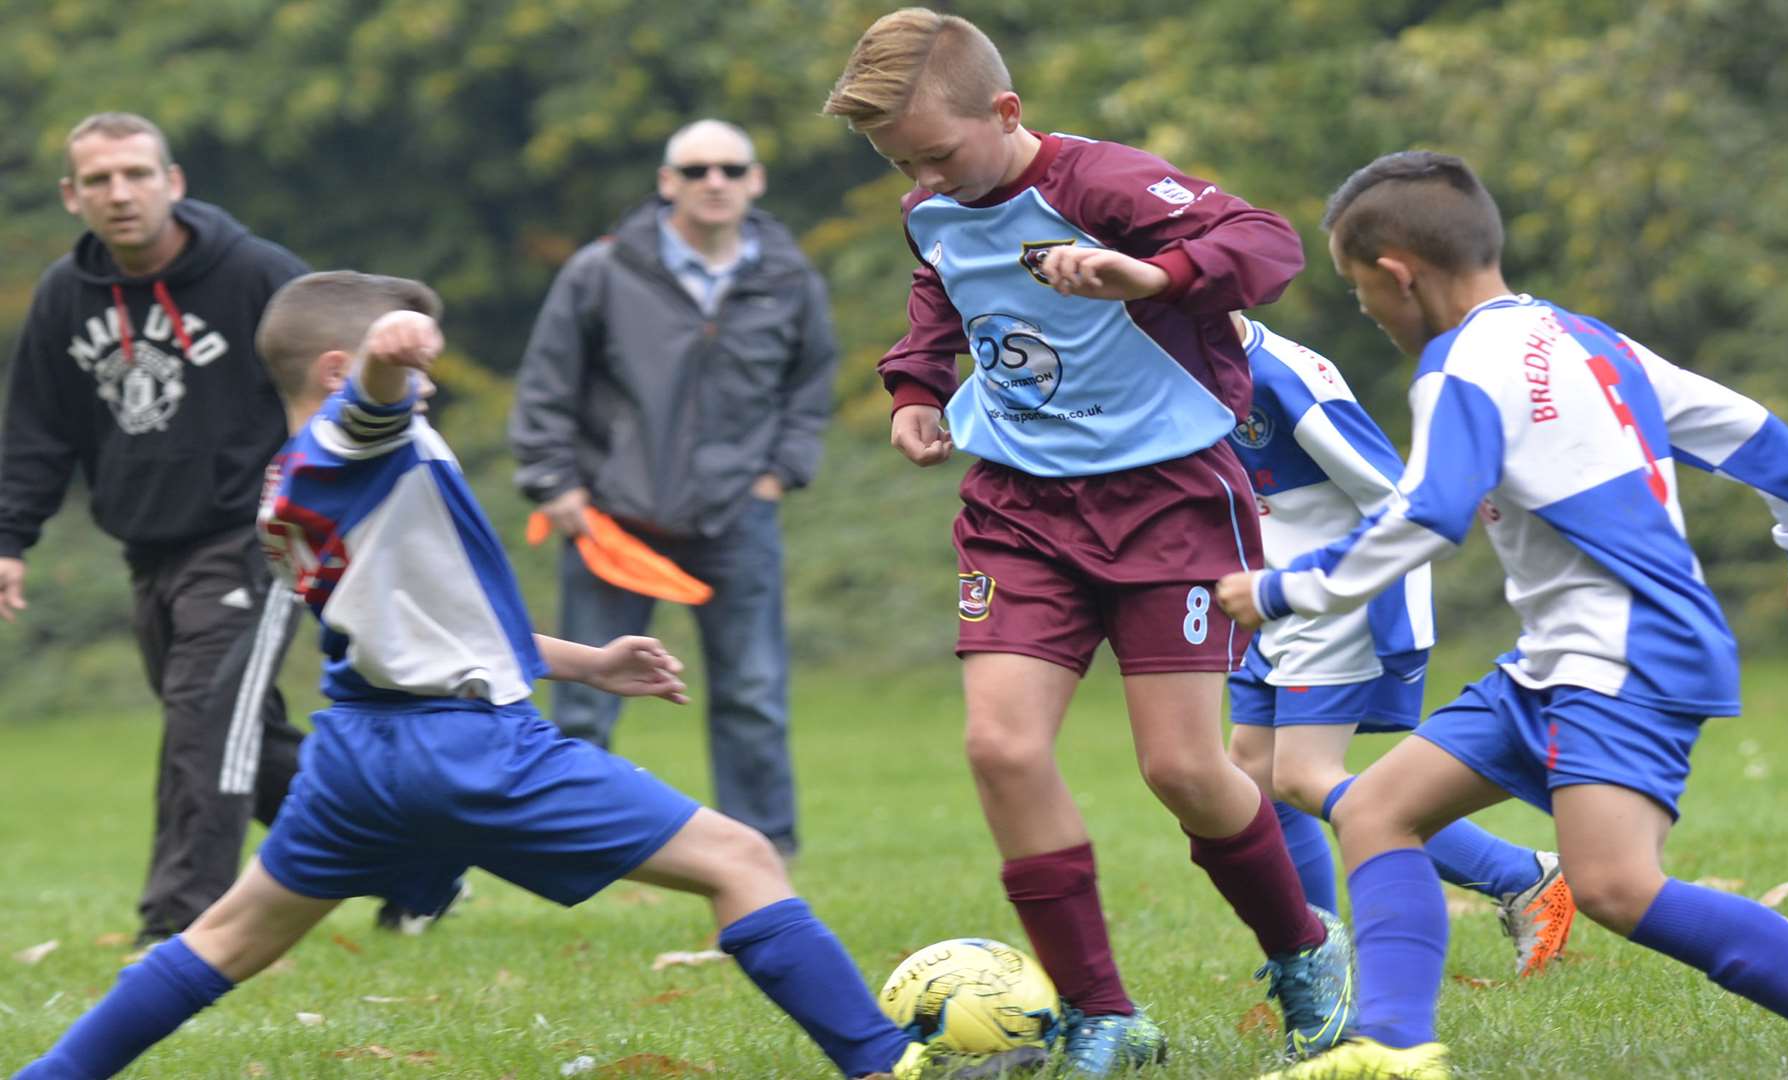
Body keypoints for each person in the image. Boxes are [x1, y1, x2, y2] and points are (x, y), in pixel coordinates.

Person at [11, 271, 1040, 1080]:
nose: (427, 381)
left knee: (226, 937)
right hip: (464, 747)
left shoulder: (286, 491)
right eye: (414, 362)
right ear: (338, 368)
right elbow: (365, 412)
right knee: (740, 860)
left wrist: (585, 660)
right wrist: (385, 362)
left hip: (360, 750)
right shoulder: (352, 442)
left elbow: (419, 628)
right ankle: (880, 1062)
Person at [1216, 151, 1788, 1080]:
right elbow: (1754, 433)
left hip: (1629, 653)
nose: (1370, 314)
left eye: (1357, 293)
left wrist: (1281, 591)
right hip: (1560, 655)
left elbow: (1427, 514)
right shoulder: (1588, 340)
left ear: (1398, 272)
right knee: (1378, 810)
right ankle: (1389, 1049)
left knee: (1619, 888)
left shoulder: (1458, 366)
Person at [824, 9, 1352, 1072]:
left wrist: (1150, 276)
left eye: (934, 152)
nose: (925, 177)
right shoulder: (933, 207)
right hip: (1020, 506)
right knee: (1001, 747)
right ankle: (1103, 1012)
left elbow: (1268, 242)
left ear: (1006, 111)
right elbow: (944, 291)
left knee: (1183, 769)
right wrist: (916, 390)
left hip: (1167, 501)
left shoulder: (1100, 185)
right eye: (901, 163)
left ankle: (1305, 948)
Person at [0, 112, 311, 946]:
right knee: (252, 735)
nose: (120, 193)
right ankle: (412, 850)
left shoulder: (255, 275)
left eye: (136, 174)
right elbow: (37, 431)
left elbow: (338, 374)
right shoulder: (66, 297)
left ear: (173, 183)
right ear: (72, 196)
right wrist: (9, 539)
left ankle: (180, 925)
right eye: (98, 180)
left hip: (259, 536)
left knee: (205, 719)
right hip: (150, 546)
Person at [509, 118, 837, 858]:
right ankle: (564, 842)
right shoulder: (602, 270)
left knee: (752, 694)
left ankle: (766, 850)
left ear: (755, 181)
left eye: (730, 169)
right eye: (695, 171)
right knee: (584, 695)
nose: (713, 182)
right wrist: (552, 482)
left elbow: (810, 385)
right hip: (612, 518)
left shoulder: (789, 279)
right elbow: (547, 382)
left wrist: (778, 474)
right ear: (667, 184)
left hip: (737, 516)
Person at [1221, 311, 1575, 977]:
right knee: (1256, 772)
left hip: (1326, 597)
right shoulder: (1181, 366)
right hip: (1264, 600)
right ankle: (1317, 958)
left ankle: (1517, 875)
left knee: (1300, 774)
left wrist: (1374, 606)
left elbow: (1391, 493)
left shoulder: (1281, 376)